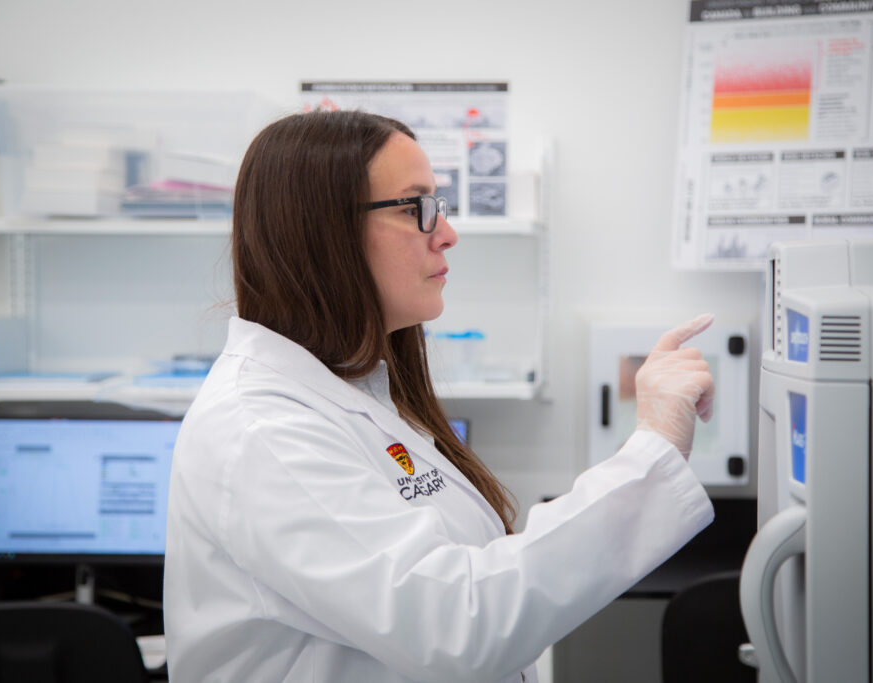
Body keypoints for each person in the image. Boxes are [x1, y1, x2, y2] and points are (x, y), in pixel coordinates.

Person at [163, 110, 716, 682]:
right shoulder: (261, 430)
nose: (446, 233)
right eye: (414, 207)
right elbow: (458, 623)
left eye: (439, 205)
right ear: (321, 231)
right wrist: (651, 448)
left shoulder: (355, 392)